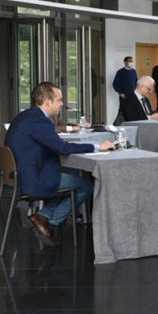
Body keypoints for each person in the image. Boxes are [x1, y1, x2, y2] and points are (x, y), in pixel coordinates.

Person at [4, 82, 115, 245]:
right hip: (31, 178)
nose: (62, 104)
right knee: (86, 185)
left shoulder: (25, 116)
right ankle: (50, 221)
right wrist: (98, 146)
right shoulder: (39, 121)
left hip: (16, 177)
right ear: (47, 102)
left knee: (69, 180)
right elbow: (63, 148)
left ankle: (43, 217)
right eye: (59, 100)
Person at [111, 56, 137, 123]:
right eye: (129, 61)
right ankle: (118, 124)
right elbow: (115, 84)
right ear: (125, 62)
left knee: (132, 110)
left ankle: (131, 123)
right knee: (123, 111)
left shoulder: (134, 71)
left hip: (132, 95)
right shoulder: (120, 72)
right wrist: (120, 93)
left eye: (131, 61)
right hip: (124, 96)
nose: (131, 62)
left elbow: (136, 82)